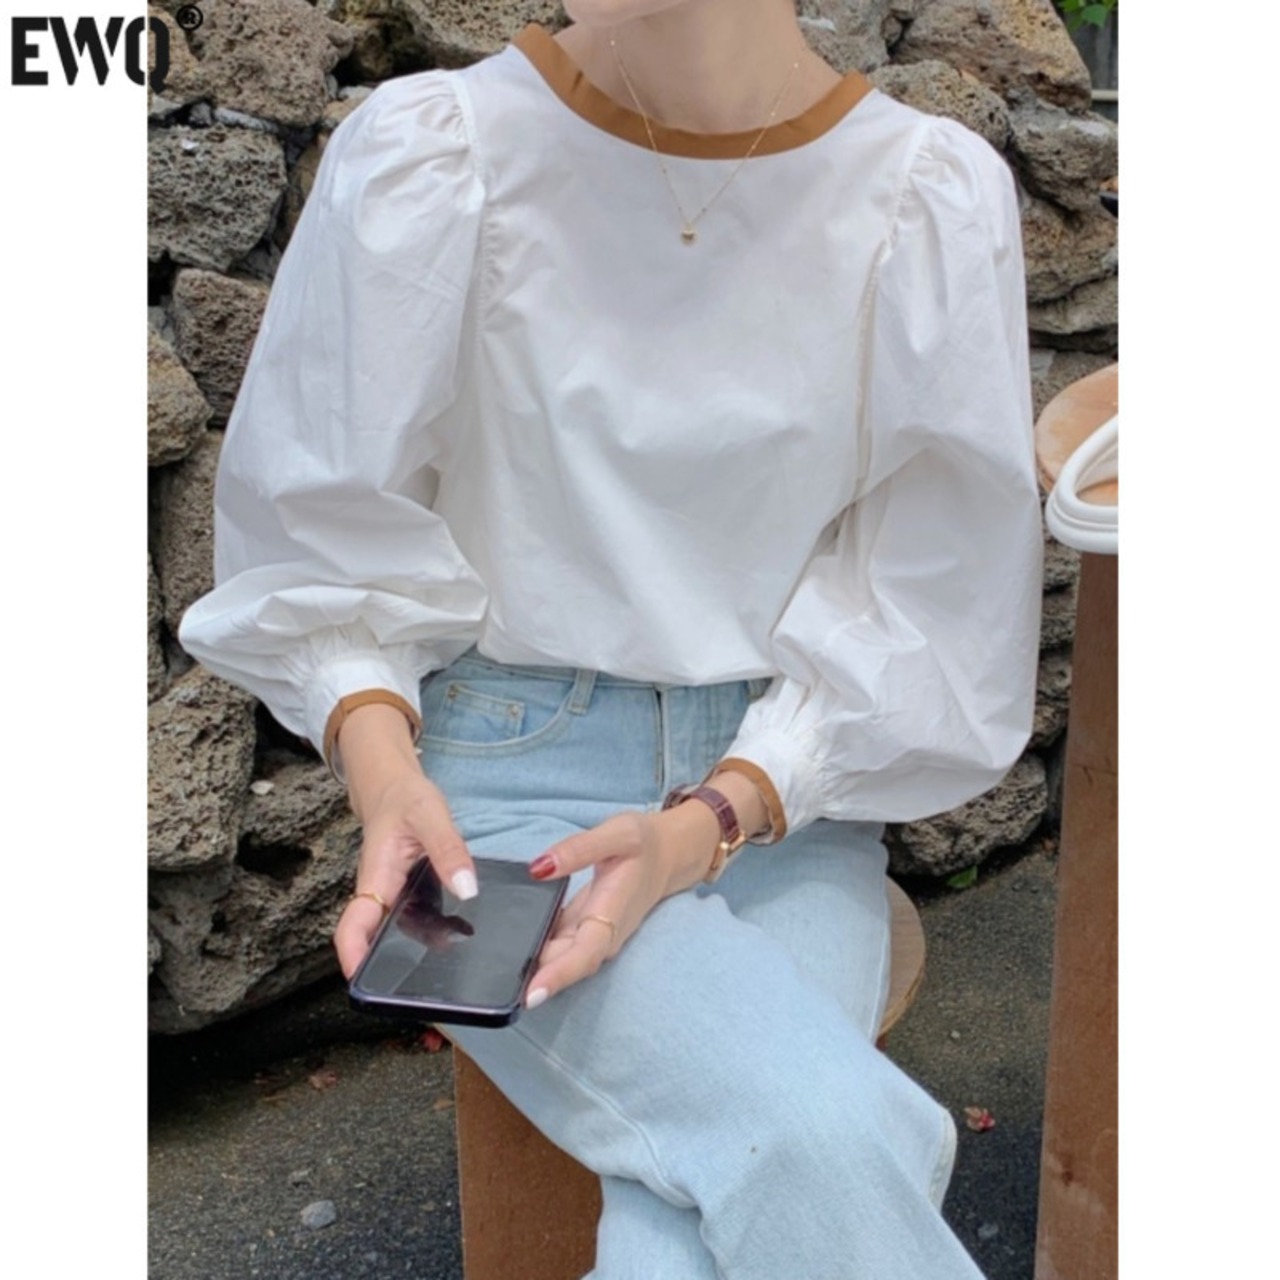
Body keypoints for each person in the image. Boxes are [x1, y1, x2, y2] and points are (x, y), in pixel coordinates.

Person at [180, 1, 1043, 1275]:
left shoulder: (925, 196)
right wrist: (381, 768)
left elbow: (931, 592)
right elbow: (317, 531)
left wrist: (711, 818)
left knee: (690, 1235)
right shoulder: (435, 152)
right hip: (502, 800)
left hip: (777, 798)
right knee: (818, 1133)